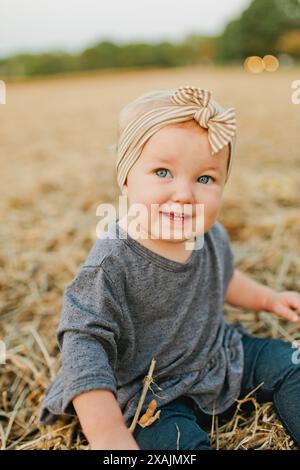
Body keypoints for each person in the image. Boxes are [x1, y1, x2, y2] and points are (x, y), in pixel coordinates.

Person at [39, 85, 300, 450]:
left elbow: (220, 277)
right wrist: (108, 433)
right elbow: (83, 346)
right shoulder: (111, 263)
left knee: (293, 365)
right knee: (178, 447)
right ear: (126, 179)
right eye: (162, 172)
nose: (184, 194)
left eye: (204, 178)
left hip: (217, 355)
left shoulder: (210, 235)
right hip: (148, 392)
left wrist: (269, 299)